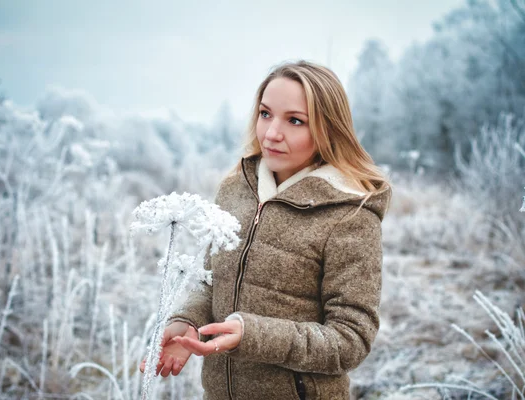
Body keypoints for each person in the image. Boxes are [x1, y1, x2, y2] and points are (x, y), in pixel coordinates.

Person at [140, 60, 392, 400]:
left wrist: (252, 336)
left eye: (295, 121)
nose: (272, 133)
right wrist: (189, 322)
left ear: (328, 129)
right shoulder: (235, 188)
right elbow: (212, 278)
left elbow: (350, 340)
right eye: (265, 114)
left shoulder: (350, 215)